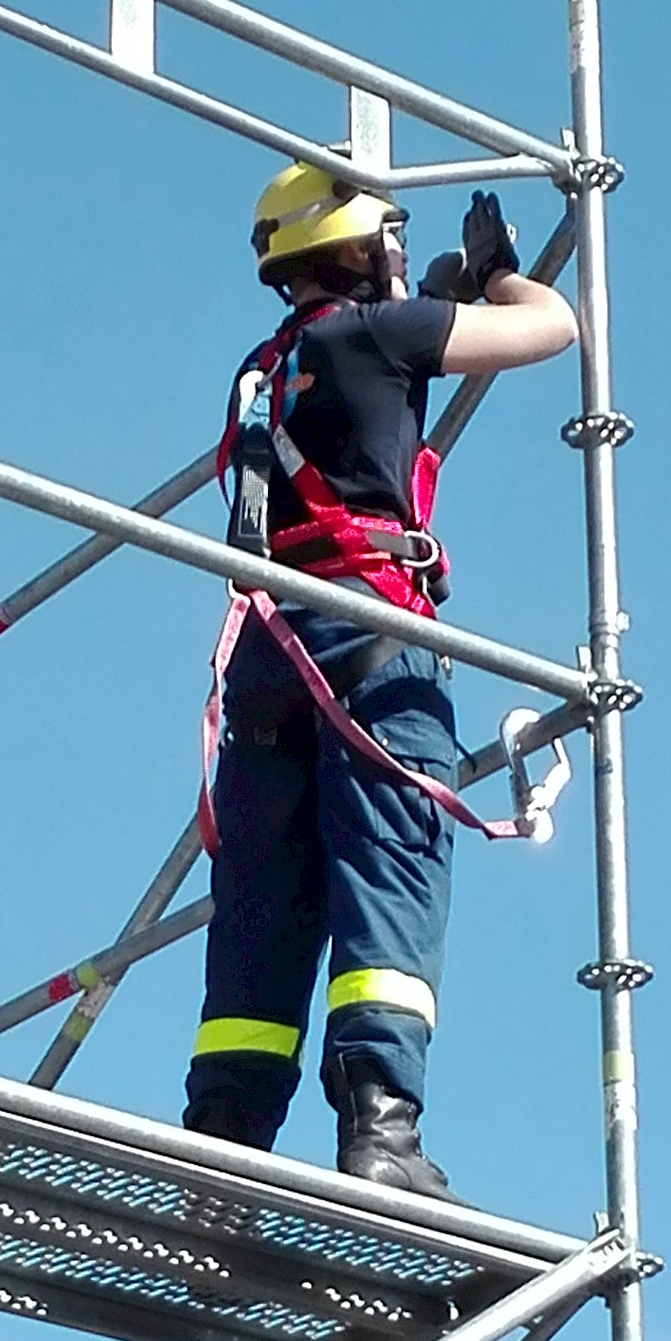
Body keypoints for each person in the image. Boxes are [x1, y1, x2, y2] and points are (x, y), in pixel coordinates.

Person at [182, 171, 578, 1195]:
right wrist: (494, 274)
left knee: (264, 907)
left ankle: (223, 1146)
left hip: (271, 660)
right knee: (387, 880)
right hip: (368, 644)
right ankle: (381, 1135)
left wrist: (433, 280)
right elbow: (549, 327)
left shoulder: (266, 367)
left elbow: (390, 342)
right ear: (355, 246)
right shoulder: (380, 336)